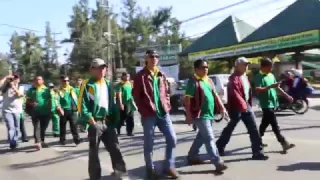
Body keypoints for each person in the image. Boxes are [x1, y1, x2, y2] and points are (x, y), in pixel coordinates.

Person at [132, 49, 179, 179]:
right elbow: (136, 96)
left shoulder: (161, 74)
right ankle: (150, 169)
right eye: (151, 56)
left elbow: (167, 92)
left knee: (172, 139)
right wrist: (144, 110)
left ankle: (169, 166)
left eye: (156, 56)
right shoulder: (140, 76)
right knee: (149, 143)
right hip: (149, 115)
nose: (154, 58)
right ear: (146, 59)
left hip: (163, 113)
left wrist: (167, 103)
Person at [78, 58, 127, 180]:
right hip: (95, 122)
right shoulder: (87, 84)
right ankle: (95, 177)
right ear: (92, 69)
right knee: (94, 152)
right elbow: (81, 104)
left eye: (103, 68)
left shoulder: (107, 83)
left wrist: (115, 118)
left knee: (115, 148)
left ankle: (120, 173)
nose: (102, 70)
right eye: (99, 68)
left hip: (108, 122)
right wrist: (90, 120)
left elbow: (112, 102)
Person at [216, 57, 268, 160]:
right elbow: (235, 93)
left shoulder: (245, 77)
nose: (246, 66)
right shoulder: (233, 78)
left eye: (247, 64)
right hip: (237, 108)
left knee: (253, 129)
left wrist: (248, 104)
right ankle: (218, 147)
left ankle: (257, 152)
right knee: (230, 128)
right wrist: (243, 105)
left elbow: (247, 92)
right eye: (244, 64)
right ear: (237, 66)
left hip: (246, 106)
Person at [184, 59, 228, 172]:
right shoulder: (193, 82)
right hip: (200, 114)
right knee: (209, 138)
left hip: (210, 113)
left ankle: (191, 156)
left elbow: (215, 95)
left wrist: (222, 108)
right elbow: (187, 99)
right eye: (203, 67)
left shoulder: (208, 81)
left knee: (201, 137)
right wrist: (188, 115)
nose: (205, 69)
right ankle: (217, 162)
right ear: (196, 69)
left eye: (206, 67)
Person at [255, 57, 295, 153]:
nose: (271, 69)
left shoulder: (271, 75)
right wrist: (270, 87)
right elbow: (258, 90)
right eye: (269, 67)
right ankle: (284, 143)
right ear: (263, 67)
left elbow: (277, 88)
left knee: (264, 124)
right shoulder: (259, 76)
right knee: (274, 125)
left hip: (273, 103)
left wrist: (287, 95)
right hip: (265, 104)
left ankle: (257, 140)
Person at [26, 76, 55, 150]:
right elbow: (26, 100)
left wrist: (53, 108)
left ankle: (42, 141)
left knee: (43, 127)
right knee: (37, 127)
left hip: (46, 111)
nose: (37, 81)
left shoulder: (47, 90)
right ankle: (38, 142)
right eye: (36, 79)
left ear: (43, 81)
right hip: (35, 112)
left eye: (39, 79)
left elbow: (53, 99)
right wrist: (31, 103)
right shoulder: (31, 90)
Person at [0, 74, 25, 149]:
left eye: (16, 78)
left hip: (17, 110)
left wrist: (13, 87)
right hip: (7, 110)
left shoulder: (21, 87)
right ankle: (12, 142)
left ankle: (15, 140)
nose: (14, 80)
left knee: (16, 127)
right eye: (13, 78)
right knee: (11, 127)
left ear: (19, 80)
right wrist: (5, 78)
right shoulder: (5, 88)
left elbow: (19, 95)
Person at [58, 76, 81, 145]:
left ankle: (76, 140)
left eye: (67, 81)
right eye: (64, 81)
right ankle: (62, 140)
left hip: (72, 110)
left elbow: (80, 94)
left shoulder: (73, 89)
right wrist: (59, 108)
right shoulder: (59, 91)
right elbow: (56, 100)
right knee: (62, 126)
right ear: (62, 82)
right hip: (63, 110)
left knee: (74, 126)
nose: (66, 82)